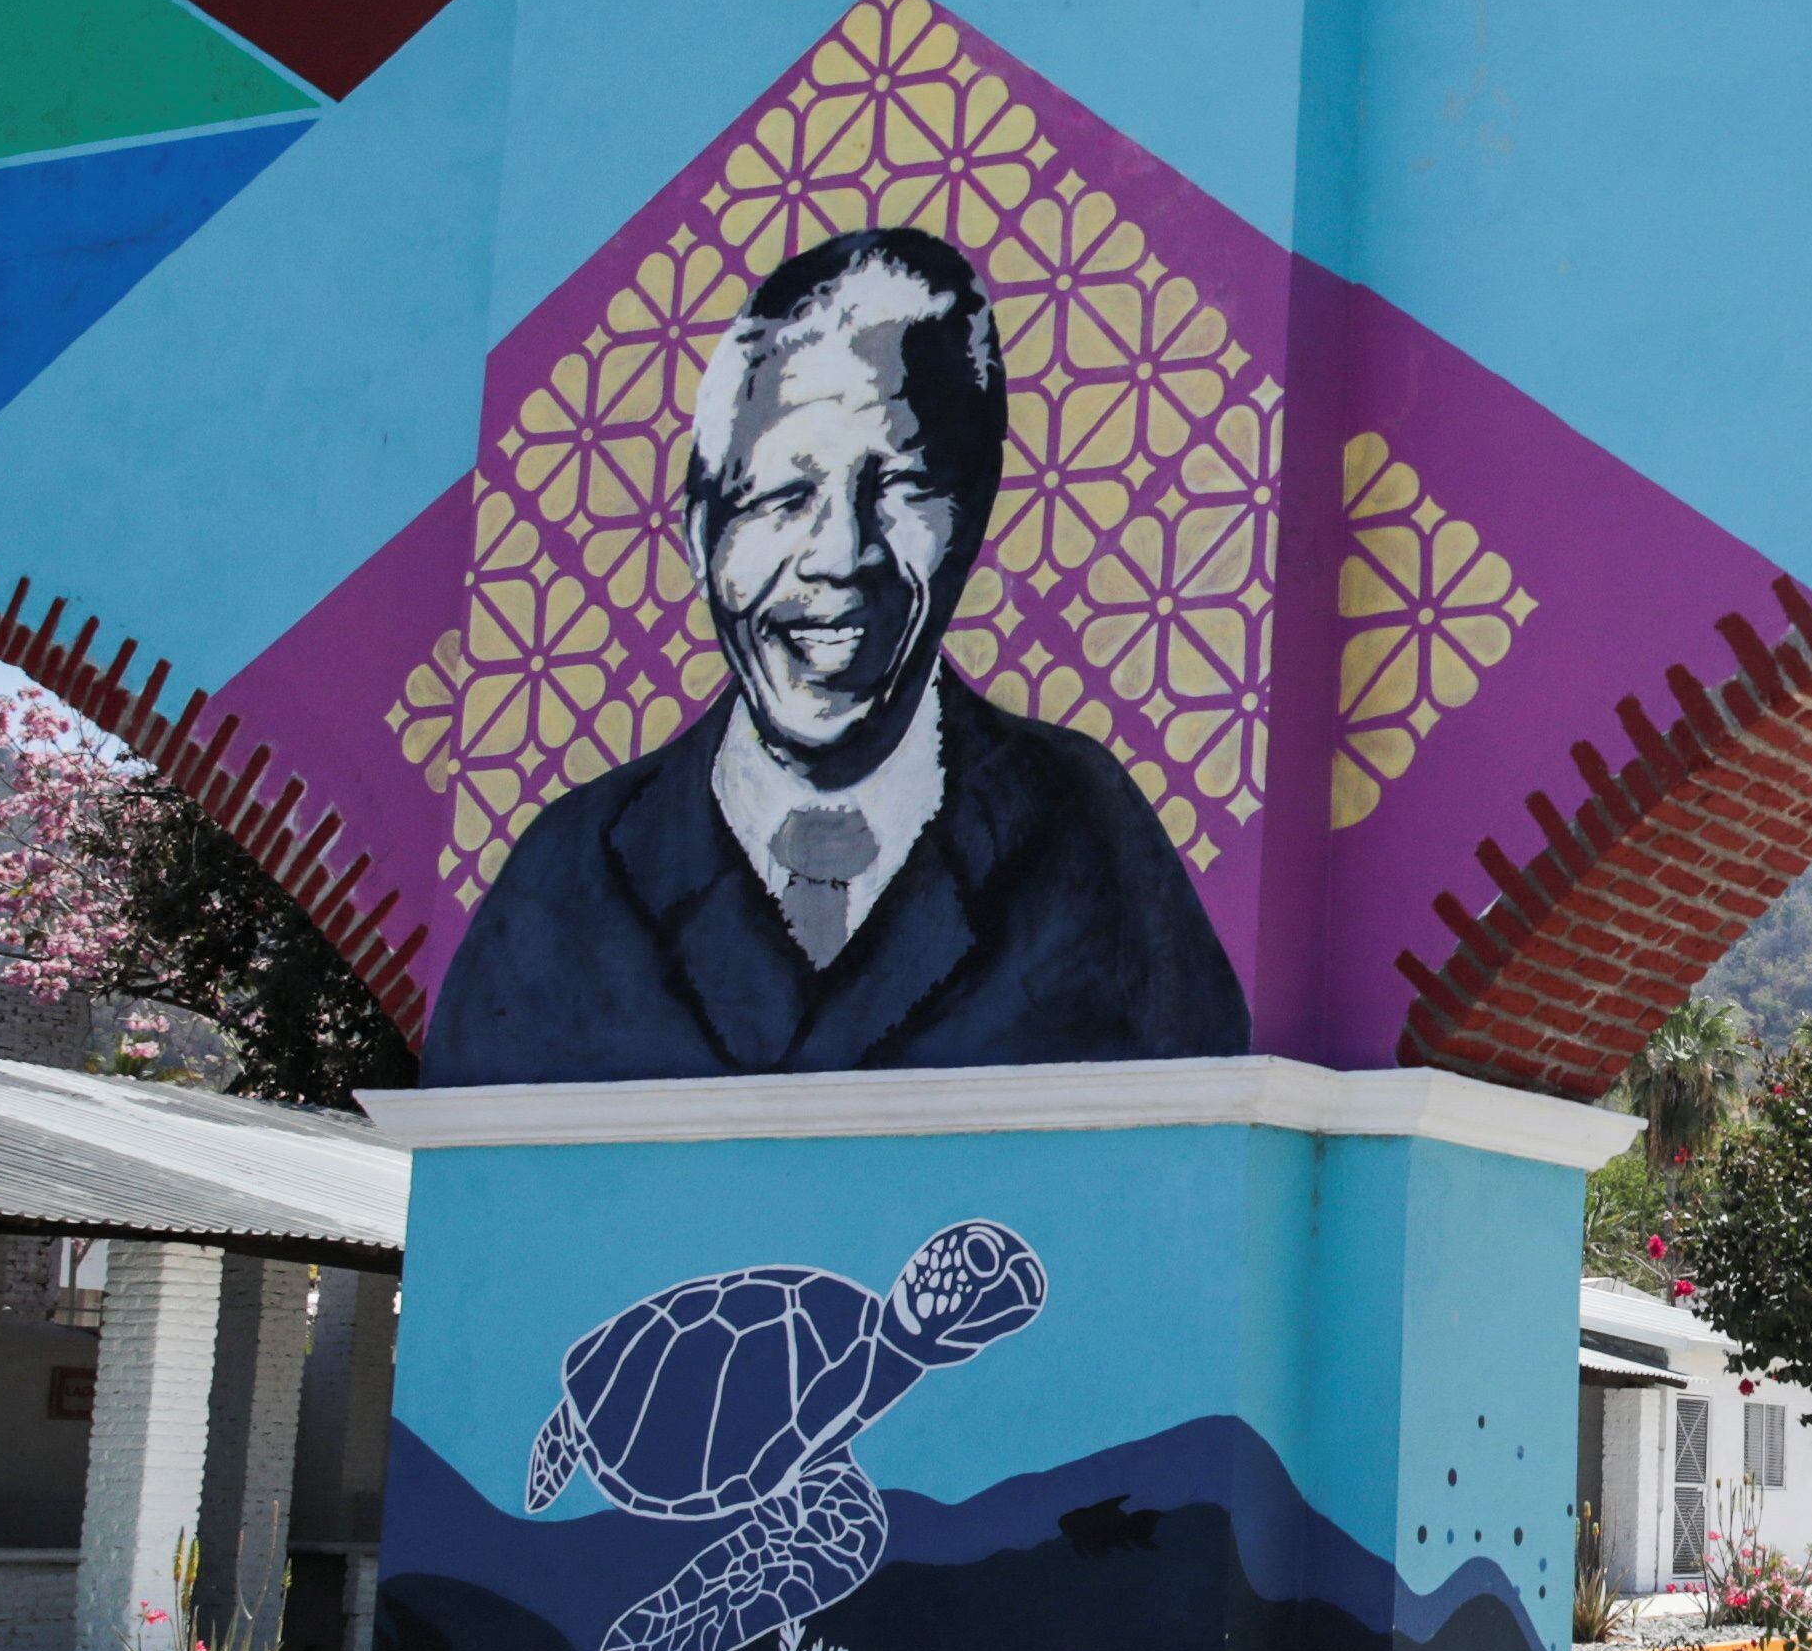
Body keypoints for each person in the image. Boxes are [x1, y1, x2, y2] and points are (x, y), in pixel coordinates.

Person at [423, 224, 1251, 1082]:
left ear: (969, 519)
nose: (840, 553)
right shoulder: (567, 874)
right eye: (783, 494)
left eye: (902, 487)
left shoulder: (1088, 833)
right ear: (700, 529)